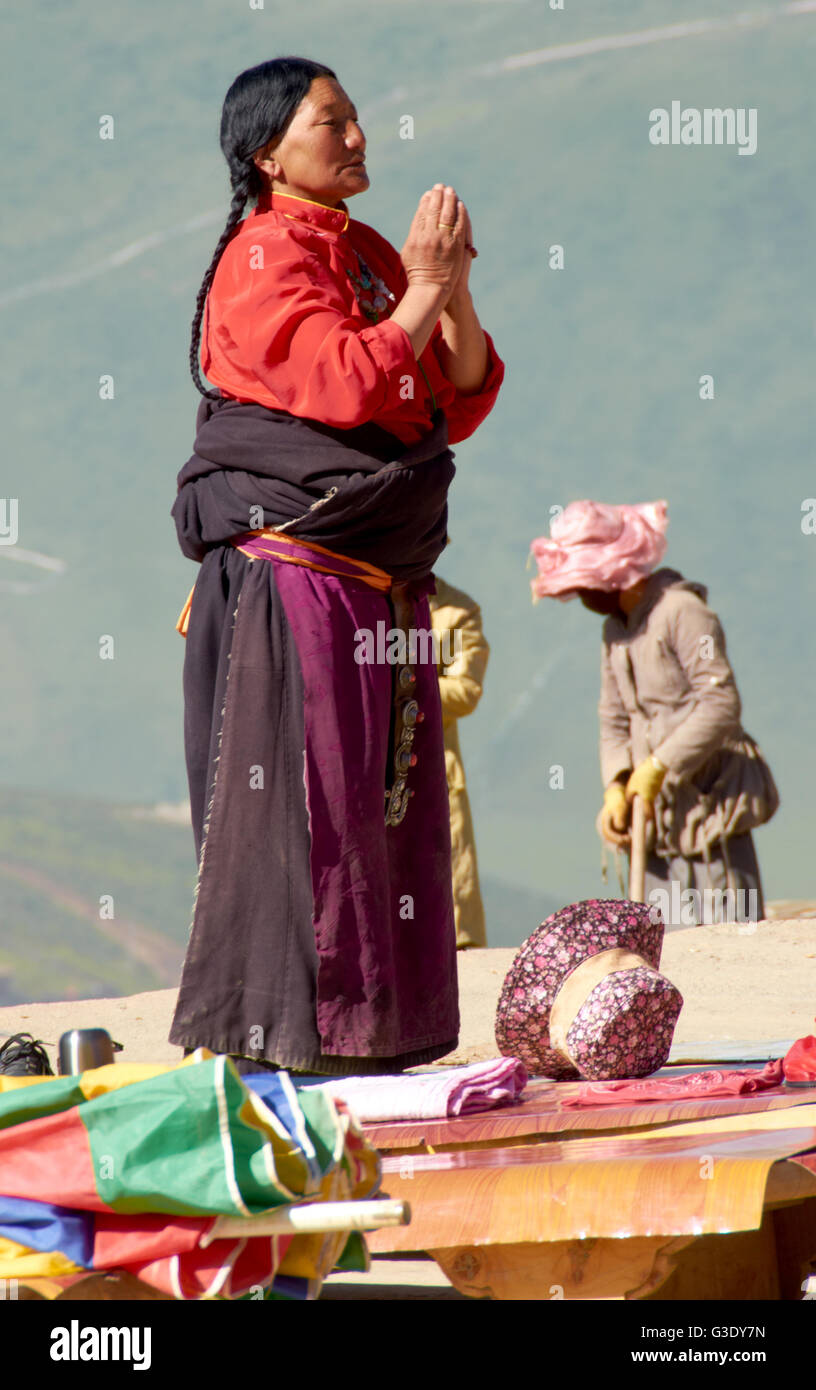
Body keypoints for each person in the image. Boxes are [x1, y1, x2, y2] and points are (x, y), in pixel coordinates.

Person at [168, 57, 504, 1074]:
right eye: (332, 123)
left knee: (386, 804)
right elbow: (346, 384)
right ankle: (301, 1047)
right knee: (315, 811)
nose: (358, 138)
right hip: (300, 575)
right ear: (270, 151)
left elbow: (455, 398)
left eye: (358, 119)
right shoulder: (262, 258)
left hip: (375, 581)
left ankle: (378, 1040)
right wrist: (426, 291)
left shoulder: (361, 250)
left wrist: (456, 292)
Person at [529, 501, 778, 926]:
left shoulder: (683, 613)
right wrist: (618, 784)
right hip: (654, 823)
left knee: (727, 939)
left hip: (710, 809)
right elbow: (613, 719)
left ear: (614, 573)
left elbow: (721, 704)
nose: (581, 597)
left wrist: (661, 764)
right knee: (665, 946)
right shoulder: (615, 630)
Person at [428, 575, 489, 949]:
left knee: (449, 907)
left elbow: (464, 691)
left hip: (434, 767)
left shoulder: (455, 612)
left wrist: (396, 682)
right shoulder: (356, 594)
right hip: (361, 769)